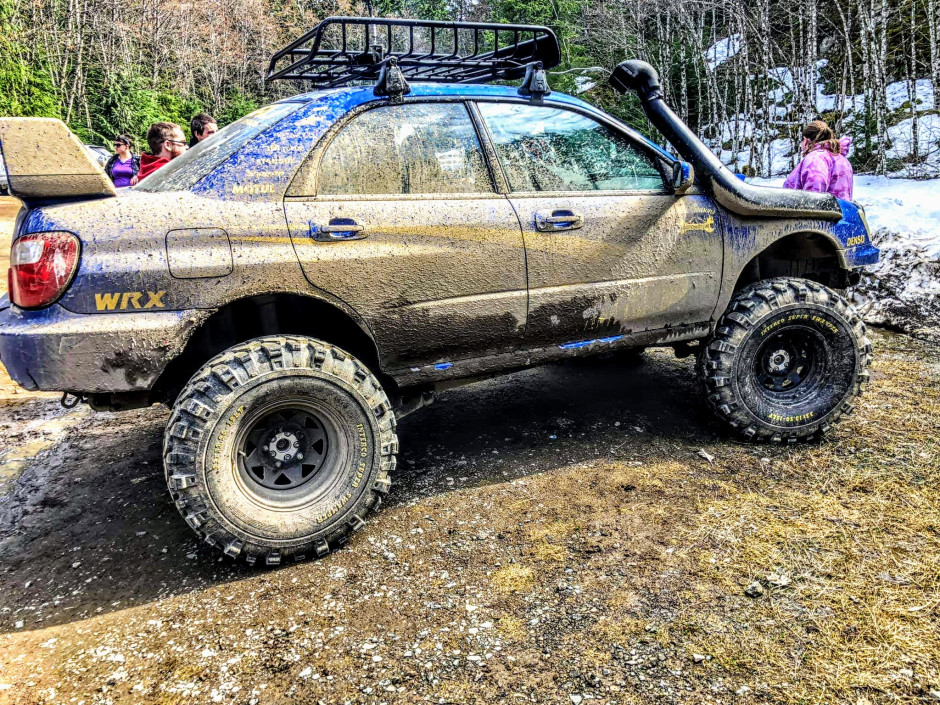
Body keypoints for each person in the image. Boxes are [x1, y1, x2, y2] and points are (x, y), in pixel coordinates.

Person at [783, 120, 854, 201]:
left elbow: (814, 190)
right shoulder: (841, 159)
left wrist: (809, 210)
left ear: (806, 140)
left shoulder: (816, 158)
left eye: (801, 141)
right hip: (841, 212)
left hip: (819, 213)